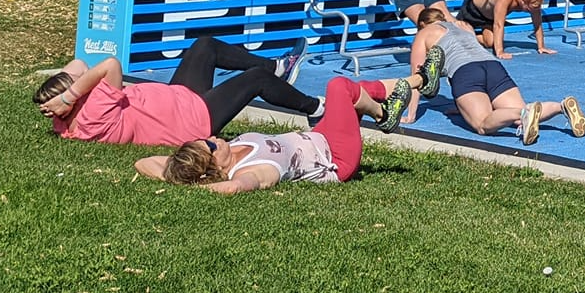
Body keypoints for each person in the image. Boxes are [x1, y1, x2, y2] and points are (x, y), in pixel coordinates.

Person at [36, 37, 327, 148]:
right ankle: (314, 108)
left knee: (204, 47)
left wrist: (64, 98)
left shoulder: (64, 122)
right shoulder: (94, 112)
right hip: (192, 119)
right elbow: (110, 65)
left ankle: (278, 67)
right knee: (256, 80)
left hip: (178, 98)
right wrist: (67, 95)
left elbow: (77, 66)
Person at [135, 74, 407, 190]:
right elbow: (235, 188)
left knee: (352, 90)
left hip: (319, 135)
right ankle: (385, 114)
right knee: (339, 87)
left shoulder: (231, 151)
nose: (214, 138)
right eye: (211, 146)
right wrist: (198, 187)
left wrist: (178, 176)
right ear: (211, 167)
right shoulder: (251, 171)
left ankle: (414, 83)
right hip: (336, 156)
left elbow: (142, 162)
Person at [408, 9, 585, 143]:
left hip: (465, 73)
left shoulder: (424, 34)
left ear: (422, 24)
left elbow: (418, 76)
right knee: (515, 119)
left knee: (483, 124)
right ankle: (560, 107)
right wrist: (462, 105)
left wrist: (411, 115)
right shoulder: (462, 26)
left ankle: (525, 113)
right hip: (492, 66)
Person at [457, 0, 553, 58]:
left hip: (489, 17)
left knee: (490, 43)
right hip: (473, 9)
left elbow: (537, 24)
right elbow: (499, 25)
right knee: (454, 34)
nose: (531, 12)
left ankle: (468, 35)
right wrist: (500, 51)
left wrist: (541, 47)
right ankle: (463, 32)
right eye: (528, 9)